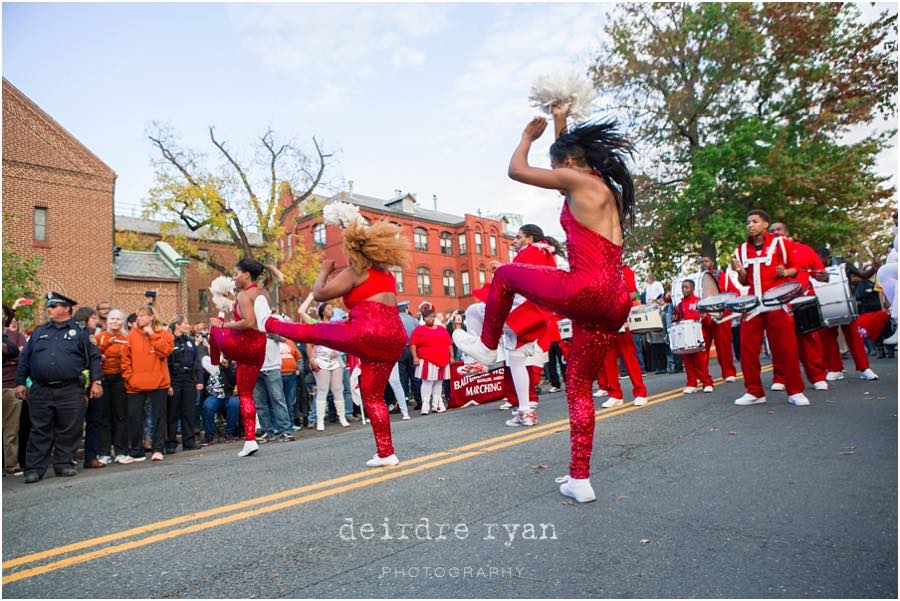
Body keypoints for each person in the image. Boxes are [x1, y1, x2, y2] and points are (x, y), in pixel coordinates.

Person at [453, 103, 634, 503]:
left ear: (568, 164)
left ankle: (486, 346)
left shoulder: (576, 180)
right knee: (578, 387)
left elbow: (517, 170)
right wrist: (559, 121)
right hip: (614, 300)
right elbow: (567, 156)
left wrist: (526, 139)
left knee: (503, 274)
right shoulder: (601, 186)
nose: (557, 175)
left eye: (560, 166)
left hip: (586, 289)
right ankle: (579, 479)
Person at [263, 208, 409, 467]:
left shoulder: (356, 271)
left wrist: (325, 270)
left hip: (367, 330)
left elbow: (319, 295)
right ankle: (386, 453)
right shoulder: (386, 273)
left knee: (313, 331)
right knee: (373, 396)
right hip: (394, 336)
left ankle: (269, 322)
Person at [15, 292, 102, 483]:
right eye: (48, 306)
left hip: (70, 388)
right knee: (39, 429)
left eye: (53, 306)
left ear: (66, 308)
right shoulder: (39, 331)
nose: (49, 309)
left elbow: (94, 358)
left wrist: (96, 381)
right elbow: (25, 358)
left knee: (69, 428)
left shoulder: (81, 331)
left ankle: (63, 463)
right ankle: (35, 468)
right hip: (41, 389)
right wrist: (21, 381)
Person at [730, 209, 809, 406]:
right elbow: (744, 281)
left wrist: (786, 271)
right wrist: (740, 271)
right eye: (748, 222)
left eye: (755, 221)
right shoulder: (741, 250)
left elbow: (795, 269)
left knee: (785, 348)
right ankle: (755, 392)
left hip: (776, 301)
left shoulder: (780, 243)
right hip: (753, 304)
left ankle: (795, 391)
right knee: (747, 348)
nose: (750, 225)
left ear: (765, 224)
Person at [208, 257, 273, 458]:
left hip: (243, 345)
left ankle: (214, 362)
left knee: (214, 325)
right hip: (259, 349)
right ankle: (250, 440)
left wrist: (223, 325)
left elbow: (248, 321)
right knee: (246, 394)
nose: (234, 278)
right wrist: (232, 298)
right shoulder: (262, 292)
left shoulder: (245, 294)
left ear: (246, 275)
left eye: (236, 274)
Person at [767, 222, 829, 391]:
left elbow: (820, 273)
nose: (775, 233)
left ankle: (817, 376)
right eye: (771, 231)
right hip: (778, 303)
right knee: (778, 342)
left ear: (786, 232)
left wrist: (823, 275)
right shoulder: (765, 253)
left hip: (802, 299)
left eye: (778, 229)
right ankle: (780, 377)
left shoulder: (803, 249)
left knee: (809, 338)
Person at [815, 247, 880, 381]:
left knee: (854, 336)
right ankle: (835, 369)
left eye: (819, 259)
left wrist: (874, 268)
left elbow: (863, 276)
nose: (817, 262)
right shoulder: (814, 268)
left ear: (827, 257)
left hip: (846, 306)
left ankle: (864, 368)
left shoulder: (842, 265)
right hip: (826, 307)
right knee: (828, 338)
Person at [121, 305, 174, 462]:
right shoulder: (131, 336)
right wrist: (129, 377)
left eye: (142, 315)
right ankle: (136, 451)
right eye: (138, 316)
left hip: (159, 382)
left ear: (151, 317)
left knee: (158, 416)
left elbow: (165, 351)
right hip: (135, 384)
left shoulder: (164, 334)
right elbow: (125, 359)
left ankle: (158, 449)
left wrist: (152, 335)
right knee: (134, 417)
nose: (139, 318)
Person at [599, 264, 649, 408]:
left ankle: (640, 393)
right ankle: (615, 395)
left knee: (629, 357)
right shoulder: (601, 271)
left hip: (622, 318)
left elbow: (634, 293)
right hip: (605, 320)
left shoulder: (625, 270)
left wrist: (616, 298)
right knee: (608, 359)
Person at [74, 306, 112, 468]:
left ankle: (91, 456)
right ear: (85, 319)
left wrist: (96, 380)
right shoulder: (80, 335)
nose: (96, 321)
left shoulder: (91, 336)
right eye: (94, 318)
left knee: (94, 421)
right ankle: (69, 457)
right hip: (77, 384)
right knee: (74, 423)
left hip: (91, 383)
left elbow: (95, 358)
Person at [96, 309, 130, 464]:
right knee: (103, 416)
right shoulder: (100, 337)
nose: (115, 321)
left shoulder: (126, 337)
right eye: (112, 319)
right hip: (103, 378)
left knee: (120, 416)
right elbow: (94, 356)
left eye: (118, 319)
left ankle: (121, 451)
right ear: (107, 320)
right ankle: (104, 452)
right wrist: (103, 350)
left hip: (120, 379)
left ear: (122, 321)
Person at [166, 315, 203, 453]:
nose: (188, 326)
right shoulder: (169, 340)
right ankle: (171, 442)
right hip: (174, 378)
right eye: (185, 323)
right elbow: (166, 363)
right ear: (177, 325)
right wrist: (168, 383)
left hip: (188, 379)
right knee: (173, 412)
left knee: (189, 411)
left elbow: (196, 361)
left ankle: (189, 441)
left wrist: (199, 380)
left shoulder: (190, 341)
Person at [698, 256, 738, 381]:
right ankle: (702, 374)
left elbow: (734, 293)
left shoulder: (723, 277)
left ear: (712, 262)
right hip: (705, 316)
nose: (704, 263)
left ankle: (729, 373)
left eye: (706, 261)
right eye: (702, 262)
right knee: (702, 346)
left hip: (721, 315)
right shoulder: (698, 279)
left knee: (723, 346)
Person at [410, 303, 453, 415]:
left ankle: (436, 404)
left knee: (439, 383)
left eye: (433, 317)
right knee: (427, 383)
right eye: (429, 317)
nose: (431, 318)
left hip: (443, 360)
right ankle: (425, 405)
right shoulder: (419, 330)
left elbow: (449, 344)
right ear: (424, 319)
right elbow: (413, 344)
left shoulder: (442, 329)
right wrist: (415, 357)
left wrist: (451, 357)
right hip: (427, 360)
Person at [673, 279, 714, 394]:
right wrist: (674, 320)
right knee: (688, 362)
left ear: (693, 289)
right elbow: (677, 320)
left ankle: (707, 383)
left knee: (701, 361)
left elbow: (708, 321)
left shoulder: (699, 302)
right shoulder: (679, 305)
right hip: (685, 338)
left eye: (687, 287)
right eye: (683, 288)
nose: (684, 290)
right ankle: (691, 383)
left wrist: (704, 316)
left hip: (699, 336)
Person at [3, 303, 28, 476]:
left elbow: (21, 356)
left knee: (11, 429)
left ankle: (11, 465)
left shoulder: (16, 336)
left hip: (10, 386)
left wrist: (10, 356)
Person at [200, 356, 240, 445]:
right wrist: (206, 372)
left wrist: (227, 368)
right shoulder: (207, 366)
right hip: (213, 396)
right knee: (208, 406)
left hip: (227, 395)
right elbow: (202, 383)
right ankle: (209, 435)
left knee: (235, 403)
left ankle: (229, 433)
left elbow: (234, 382)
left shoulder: (225, 366)